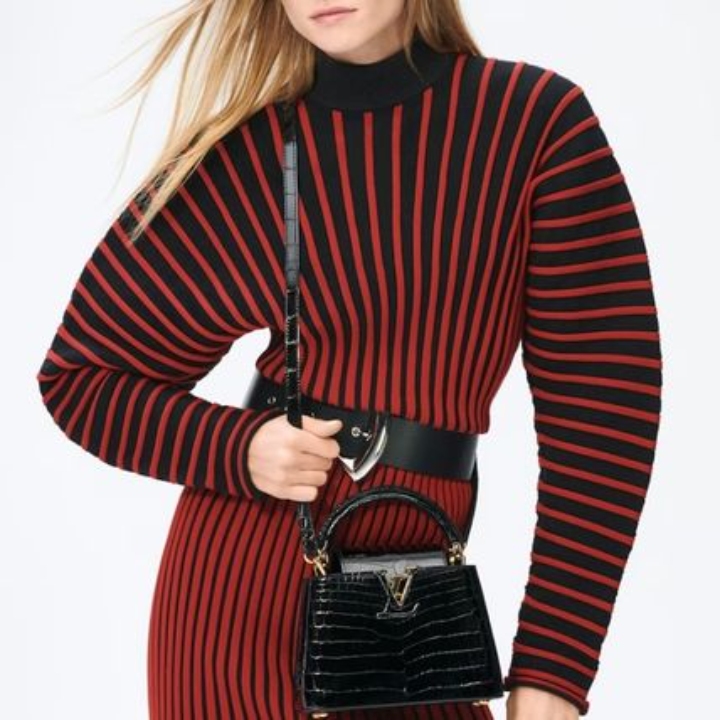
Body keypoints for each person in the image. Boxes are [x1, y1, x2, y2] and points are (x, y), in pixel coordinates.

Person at [36, 1, 663, 718]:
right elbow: (79, 379)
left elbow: (605, 414)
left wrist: (554, 667)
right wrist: (236, 448)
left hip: (422, 612)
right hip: (241, 606)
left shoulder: (534, 125)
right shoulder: (255, 154)